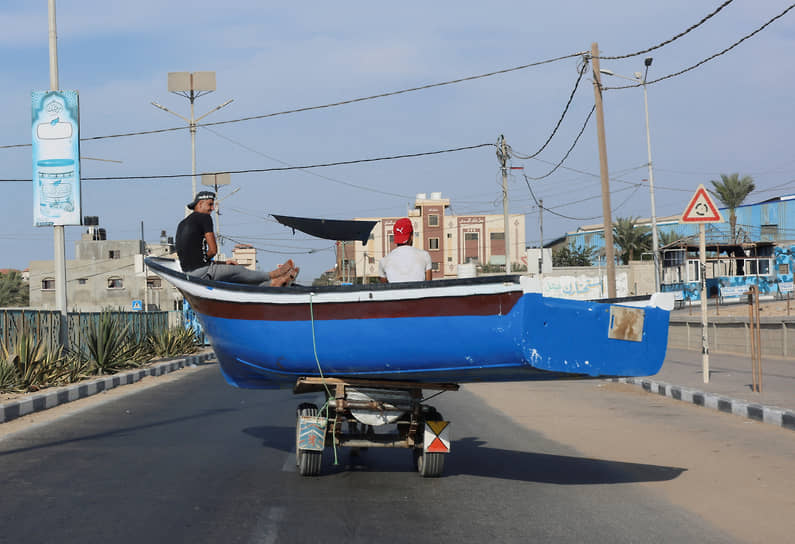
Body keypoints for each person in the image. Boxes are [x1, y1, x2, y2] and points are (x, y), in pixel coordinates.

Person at [175, 191, 298, 286]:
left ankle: (271, 285)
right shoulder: (204, 218)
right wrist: (212, 263)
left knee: (235, 276)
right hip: (201, 272)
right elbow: (213, 251)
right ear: (200, 204)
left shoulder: (182, 223)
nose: (212, 208)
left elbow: (191, 256)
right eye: (210, 204)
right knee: (238, 270)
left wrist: (222, 263)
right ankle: (272, 276)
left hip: (188, 273)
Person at [378, 217, 432, 282]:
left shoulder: (383, 261)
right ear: (411, 236)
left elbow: (385, 289)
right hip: (418, 292)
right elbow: (429, 286)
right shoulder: (425, 256)